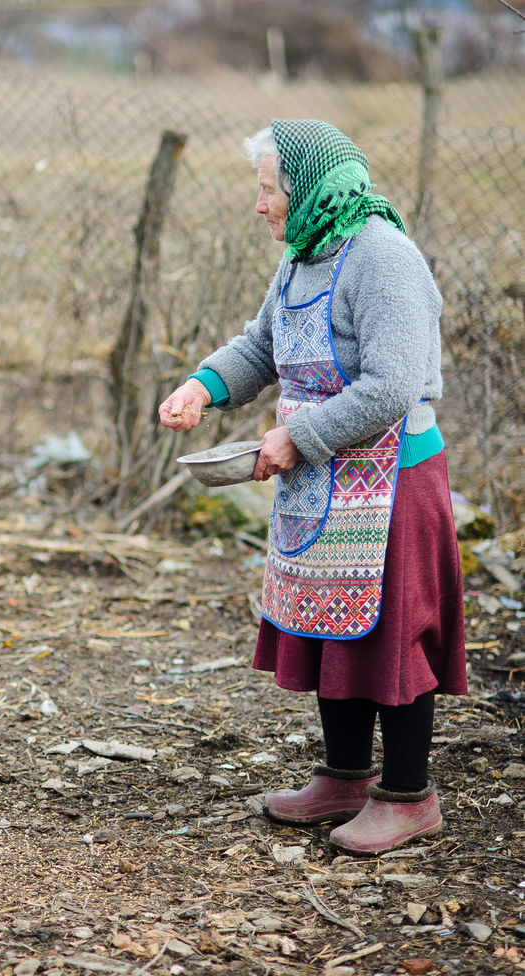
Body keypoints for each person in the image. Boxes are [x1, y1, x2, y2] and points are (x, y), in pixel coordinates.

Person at [157, 119, 466, 856]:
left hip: (393, 478)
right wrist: (204, 387)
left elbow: (392, 384)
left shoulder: (382, 258)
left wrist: (297, 437)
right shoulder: (305, 254)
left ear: (311, 191)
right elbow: (262, 344)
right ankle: (344, 778)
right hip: (325, 475)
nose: (259, 205)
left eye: (269, 191)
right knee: (332, 624)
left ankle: (409, 795)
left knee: (393, 631)